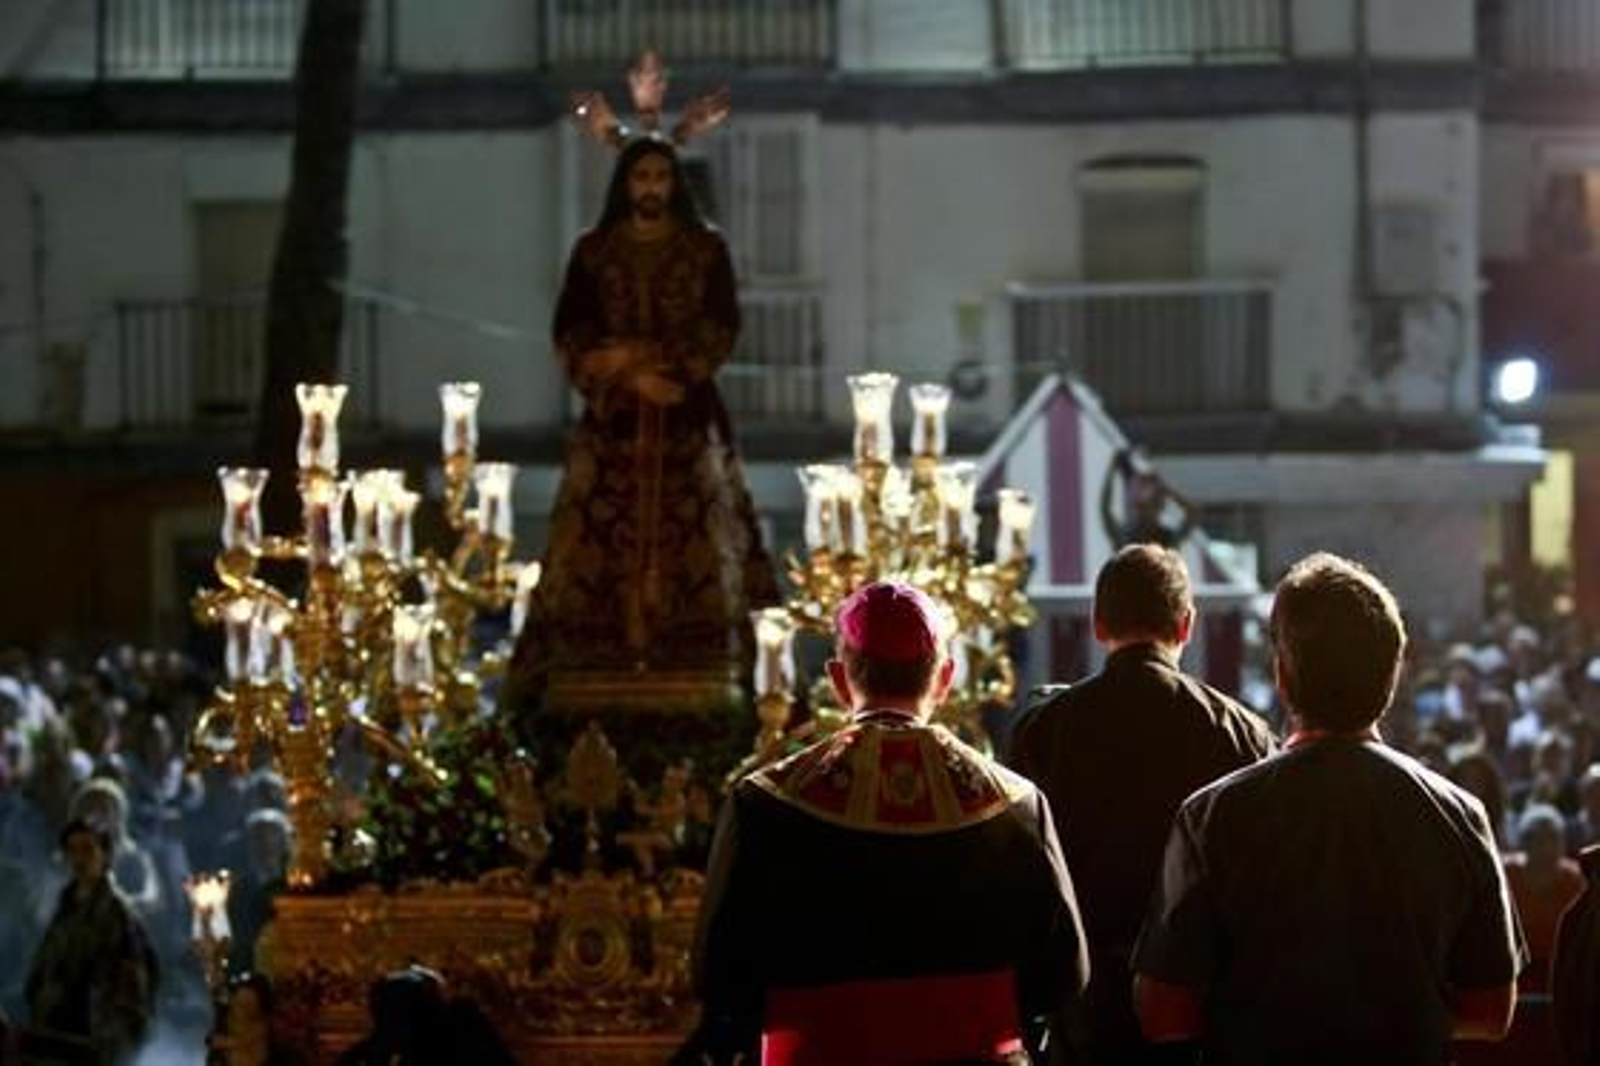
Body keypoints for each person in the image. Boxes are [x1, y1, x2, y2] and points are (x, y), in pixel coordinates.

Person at [1133, 552, 1525, 1063]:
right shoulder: (1457, 815)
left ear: (1282, 675)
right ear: (1393, 674)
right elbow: (1492, 1012)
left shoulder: (1213, 816)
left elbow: (1162, 1012)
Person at [684, 581, 1089, 1064]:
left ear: (838, 680)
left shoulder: (762, 803)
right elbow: (1065, 974)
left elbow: (717, 976)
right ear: (945, 679)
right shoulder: (1017, 805)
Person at [504, 133, 776, 710]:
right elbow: (572, 334)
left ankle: (709, 668)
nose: (650, 188)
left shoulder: (705, 250)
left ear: (674, 184)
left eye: (660, 177)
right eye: (640, 177)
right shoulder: (593, 252)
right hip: (614, 425)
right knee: (591, 539)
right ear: (624, 185)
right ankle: (589, 662)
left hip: (687, 416)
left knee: (705, 536)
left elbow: (719, 328)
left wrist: (649, 363)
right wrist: (627, 378)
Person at [1008, 543, 1274, 1064]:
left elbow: (1022, 877)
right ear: (1186, 624)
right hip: (1198, 1009)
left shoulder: (1044, 729)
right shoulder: (1240, 733)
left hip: (1079, 1010)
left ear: (1098, 624)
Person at [25, 817, 158, 1065]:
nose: (79, 859)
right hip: (56, 1031)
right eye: (72, 850)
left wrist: (118, 1040)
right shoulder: (66, 907)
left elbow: (134, 988)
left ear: (104, 854)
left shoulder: (118, 915)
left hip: (96, 1037)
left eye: (87, 849)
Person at [1099, 447, 1195, 549]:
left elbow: (1193, 513)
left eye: (1146, 507)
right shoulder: (1127, 538)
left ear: (1158, 510)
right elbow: (1105, 510)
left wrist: (1166, 489)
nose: (1141, 513)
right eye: (1140, 508)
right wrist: (1112, 470)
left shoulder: (1166, 541)